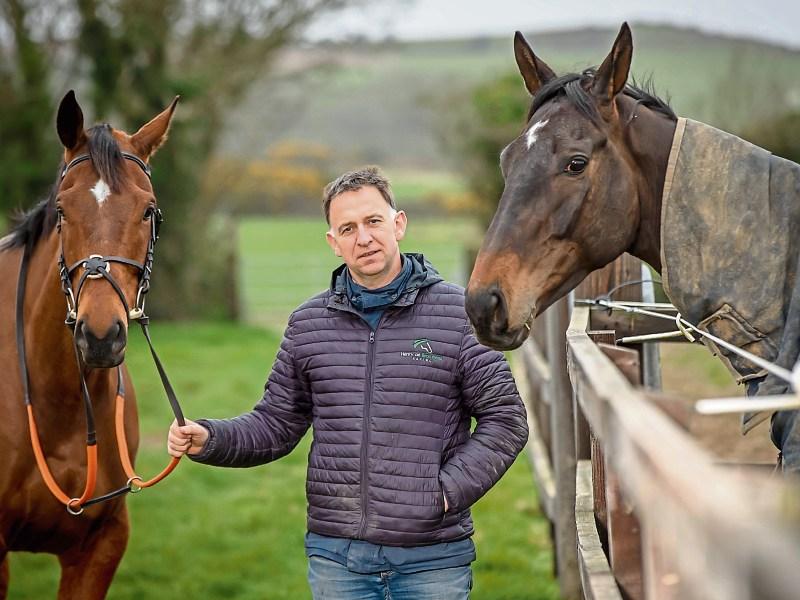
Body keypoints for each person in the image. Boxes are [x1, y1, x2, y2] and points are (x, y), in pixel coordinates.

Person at [167, 166, 529, 599]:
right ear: (333, 243)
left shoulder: (457, 315)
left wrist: (446, 493)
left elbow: (506, 420)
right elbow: (277, 424)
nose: (364, 238)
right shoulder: (307, 324)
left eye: (374, 221)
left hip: (432, 561)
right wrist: (209, 438)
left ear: (399, 223)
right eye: (348, 228)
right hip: (338, 561)